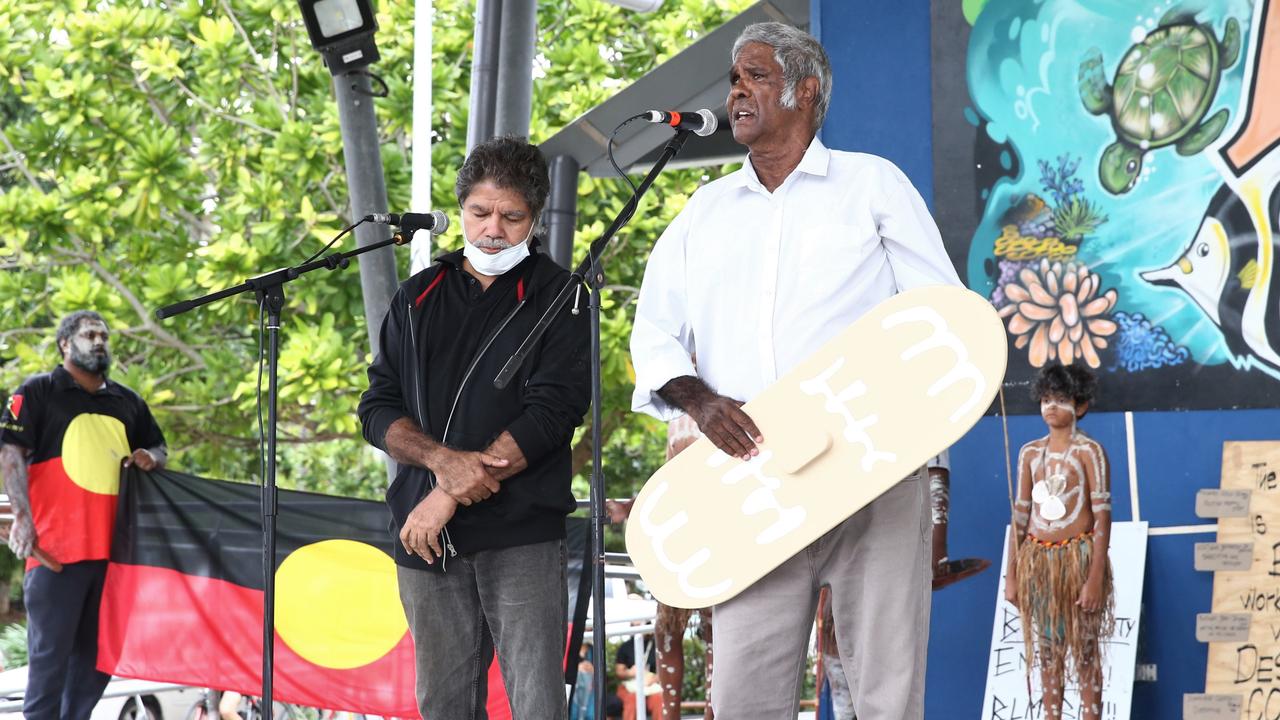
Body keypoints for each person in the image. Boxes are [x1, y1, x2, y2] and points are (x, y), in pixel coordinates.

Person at [629, 20, 962, 719]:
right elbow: (654, 334)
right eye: (733, 79)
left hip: (873, 467)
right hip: (751, 481)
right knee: (745, 693)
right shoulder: (704, 211)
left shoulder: (872, 185)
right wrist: (700, 401)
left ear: (805, 90)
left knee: (886, 689)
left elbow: (942, 318)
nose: (736, 90)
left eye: (756, 76)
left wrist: (928, 462)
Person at [358, 136, 591, 719]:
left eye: (511, 217)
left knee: (537, 702)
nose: (492, 230)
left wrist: (447, 493)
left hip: (521, 532)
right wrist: (443, 465)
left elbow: (553, 412)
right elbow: (377, 406)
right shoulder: (418, 295)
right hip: (425, 534)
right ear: (459, 210)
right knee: (442, 702)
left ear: (533, 218)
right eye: (479, 213)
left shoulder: (562, 295)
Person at [0, 310, 167, 720]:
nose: (99, 342)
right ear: (65, 344)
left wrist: (151, 456)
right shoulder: (36, 392)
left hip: (113, 560)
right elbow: (9, 453)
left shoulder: (128, 401)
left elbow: (160, 448)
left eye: (104, 336)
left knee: (97, 666)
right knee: (48, 668)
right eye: (89, 334)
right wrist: (22, 517)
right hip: (56, 556)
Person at [1004, 363, 1114, 720]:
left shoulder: (1089, 452)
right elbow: (1019, 518)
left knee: (1084, 650)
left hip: (1078, 562)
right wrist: (1012, 575)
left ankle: (1090, 715)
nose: (1051, 407)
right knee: (1048, 652)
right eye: (1047, 399)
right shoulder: (1030, 454)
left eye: (1061, 399)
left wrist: (1094, 577)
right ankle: (1051, 715)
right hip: (1041, 564)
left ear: (1079, 407)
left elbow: (1102, 517)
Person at [614, 625, 662, 720]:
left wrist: (653, 679)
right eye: (635, 625)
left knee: (659, 701)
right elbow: (619, 672)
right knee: (632, 700)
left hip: (652, 688)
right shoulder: (625, 647)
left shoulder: (657, 646)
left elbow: (665, 671)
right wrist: (630, 673)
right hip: (630, 688)